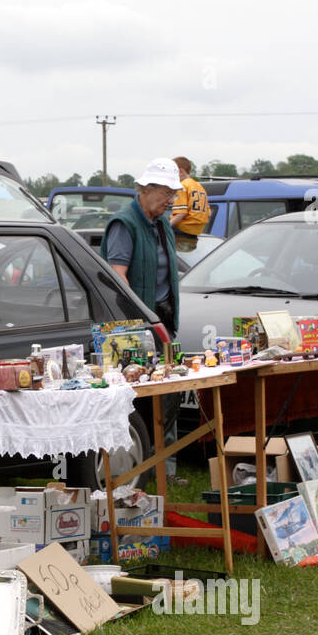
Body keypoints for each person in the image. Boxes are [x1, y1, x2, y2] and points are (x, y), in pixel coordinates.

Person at [103, 157, 184, 483]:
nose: (171, 201)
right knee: (135, 400)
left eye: (173, 194)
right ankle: (138, 468)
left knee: (173, 391)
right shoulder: (125, 223)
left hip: (165, 323)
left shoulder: (163, 223)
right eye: (167, 193)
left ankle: (168, 467)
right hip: (135, 327)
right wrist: (141, 318)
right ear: (147, 189)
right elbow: (117, 276)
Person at [170, 156, 210, 253]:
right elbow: (209, 214)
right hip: (195, 233)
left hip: (182, 231)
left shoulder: (182, 186)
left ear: (180, 172)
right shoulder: (199, 186)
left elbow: (181, 213)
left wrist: (166, 226)